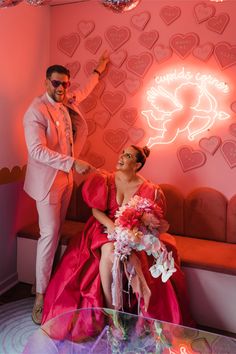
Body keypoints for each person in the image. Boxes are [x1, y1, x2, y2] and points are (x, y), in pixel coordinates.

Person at [42, 145, 194, 329]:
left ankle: (136, 310)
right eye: (122, 152)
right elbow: (96, 211)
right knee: (110, 250)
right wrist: (111, 226)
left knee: (131, 255)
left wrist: (130, 232)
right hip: (103, 226)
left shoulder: (149, 190)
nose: (121, 157)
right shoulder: (105, 180)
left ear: (137, 165)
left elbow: (150, 220)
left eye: (128, 155)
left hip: (132, 231)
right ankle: (110, 309)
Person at [23, 51, 109, 325]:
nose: (61, 88)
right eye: (56, 83)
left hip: (66, 181)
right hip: (47, 184)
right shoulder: (35, 111)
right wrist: (73, 161)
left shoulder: (67, 100)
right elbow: (37, 151)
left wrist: (98, 71)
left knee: (58, 232)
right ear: (46, 82)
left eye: (64, 84)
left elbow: (83, 92)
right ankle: (40, 294)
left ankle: (53, 281)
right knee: (48, 236)